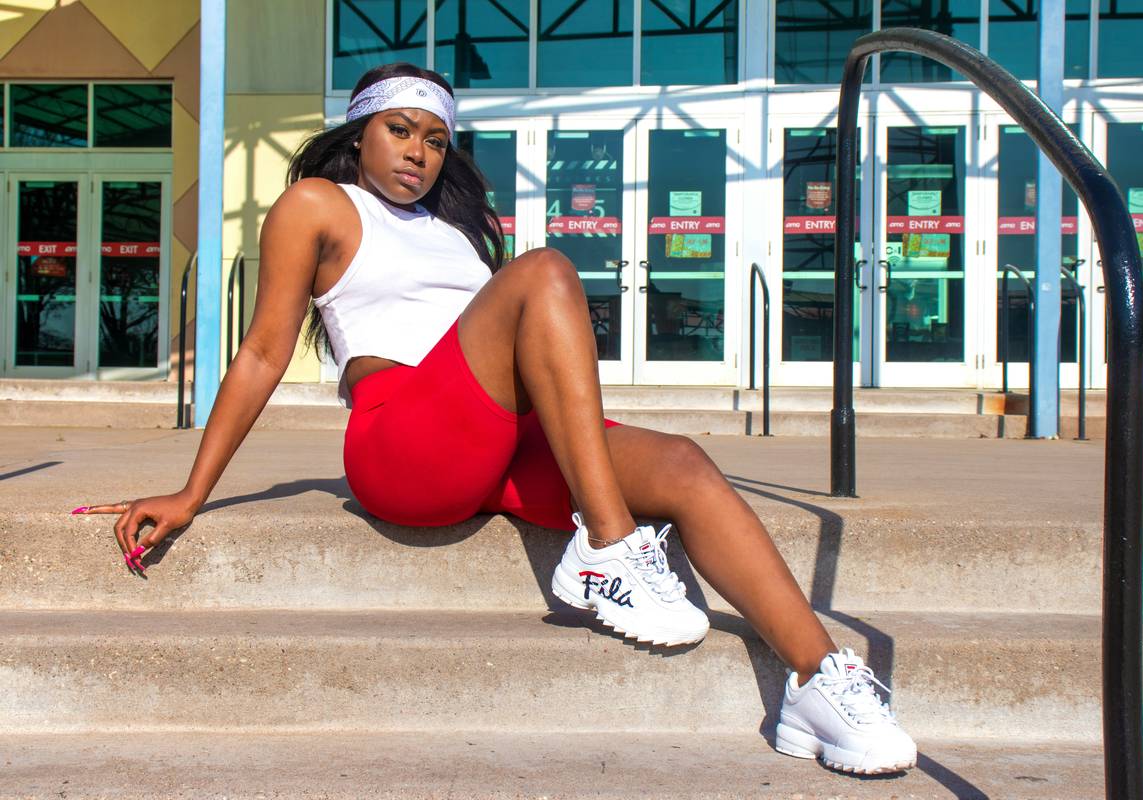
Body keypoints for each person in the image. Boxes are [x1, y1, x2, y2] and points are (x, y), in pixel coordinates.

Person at [73, 62, 917, 776]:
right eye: (400, 130)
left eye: (436, 140)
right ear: (360, 133)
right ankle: (611, 548)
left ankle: (818, 682)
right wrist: (192, 491)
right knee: (546, 271)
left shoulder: (459, 234)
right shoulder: (319, 204)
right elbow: (262, 351)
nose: (419, 151)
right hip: (402, 444)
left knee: (684, 464)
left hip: (496, 441)